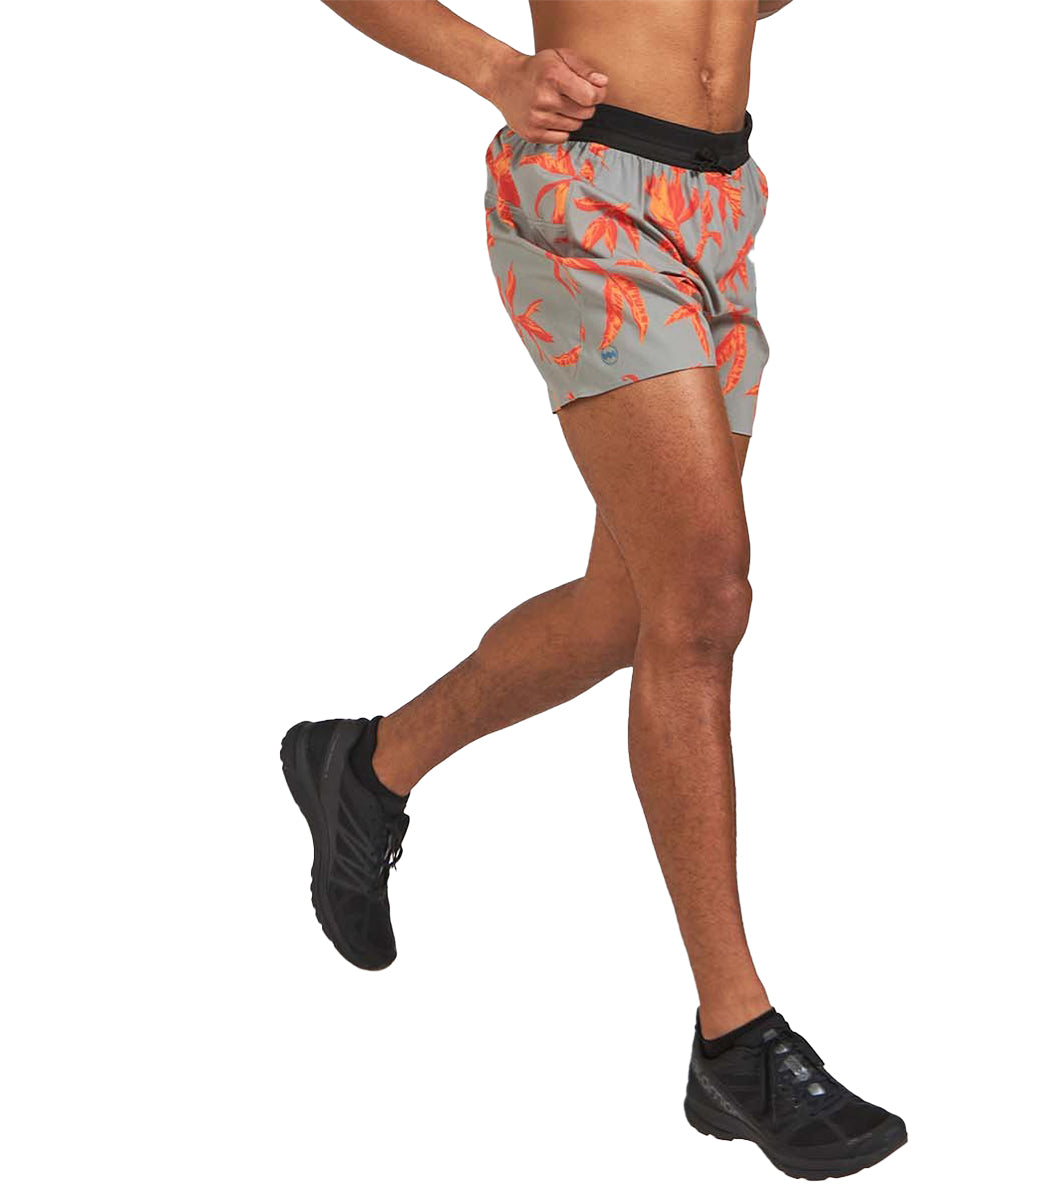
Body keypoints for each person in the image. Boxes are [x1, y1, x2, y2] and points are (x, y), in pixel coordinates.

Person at [281, 0, 906, 1180]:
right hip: (590, 193)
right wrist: (495, 69)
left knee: (634, 608)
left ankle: (364, 767)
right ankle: (736, 1035)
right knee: (704, 604)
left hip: (718, 199)